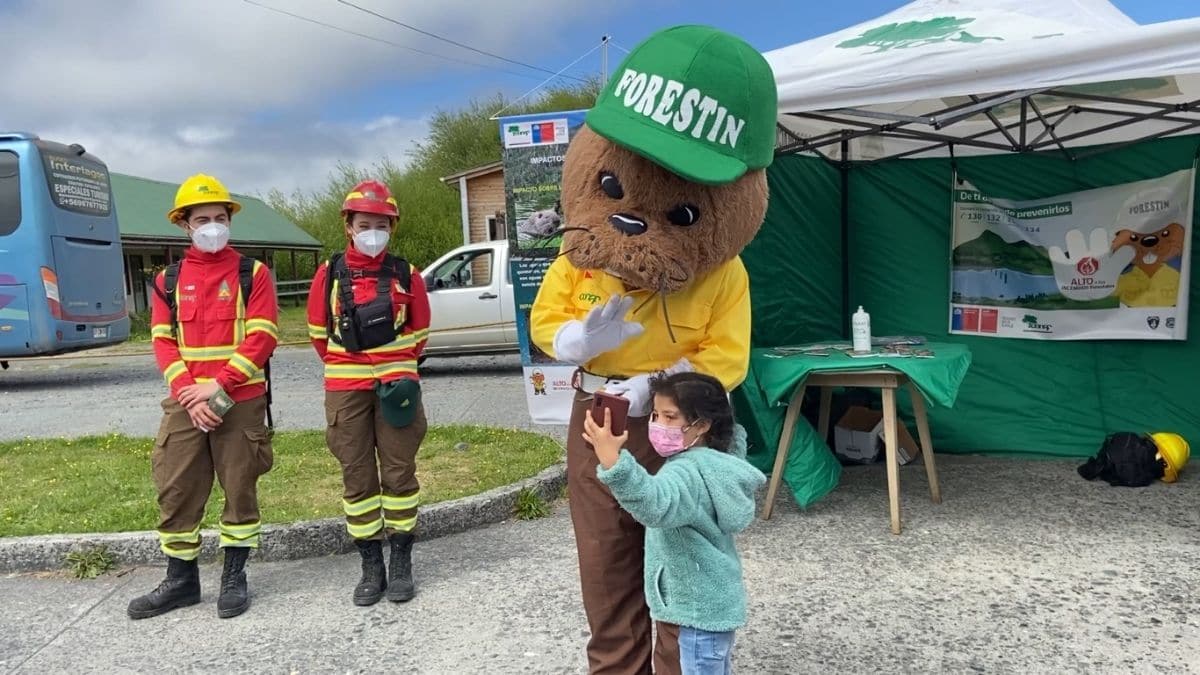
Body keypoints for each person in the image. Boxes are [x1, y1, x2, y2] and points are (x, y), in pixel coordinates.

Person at [127, 174, 279, 620]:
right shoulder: (167, 280)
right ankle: (181, 581)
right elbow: (161, 341)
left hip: (240, 398)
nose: (213, 226)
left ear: (229, 220)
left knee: (239, 487)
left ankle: (234, 577)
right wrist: (191, 397)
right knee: (176, 488)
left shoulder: (254, 273)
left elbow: (264, 335)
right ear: (185, 226)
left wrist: (220, 384)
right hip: (187, 400)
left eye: (219, 217)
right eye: (203, 219)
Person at [583, 372, 765, 675]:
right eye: (655, 414)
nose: (657, 424)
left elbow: (655, 503)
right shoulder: (718, 464)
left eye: (670, 417)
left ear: (703, 425)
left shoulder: (686, 474)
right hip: (713, 610)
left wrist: (613, 461)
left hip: (690, 614)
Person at [306, 179, 431, 606]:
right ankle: (370, 565)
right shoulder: (328, 275)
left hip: (398, 389)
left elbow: (420, 334)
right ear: (349, 225)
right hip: (346, 389)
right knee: (356, 477)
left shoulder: (406, 274)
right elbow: (318, 335)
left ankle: (400, 560)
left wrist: (394, 365)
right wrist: (352, 366)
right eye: (365, 223)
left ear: (392, 227)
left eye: (381, 223)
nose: (372, 231)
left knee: (399, 473)